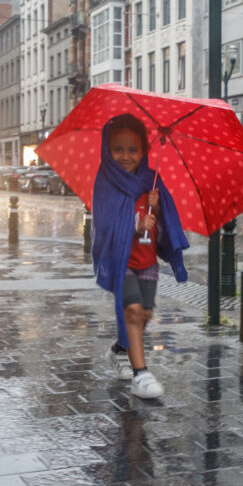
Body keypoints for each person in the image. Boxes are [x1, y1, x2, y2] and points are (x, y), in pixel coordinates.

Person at [91, 114, 189, 399]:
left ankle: (119, 350)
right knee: (133, 311)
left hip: (147, 261)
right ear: (108, 151)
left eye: (132, 150)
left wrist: (156, 208)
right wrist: (135, 226)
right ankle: (141, 375)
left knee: (144, 313)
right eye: (118, 149)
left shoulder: (151, 182)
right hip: (119, 261)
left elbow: (166, 223)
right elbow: (105, 222)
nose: (125, 156)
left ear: (144, 152)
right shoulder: (107, 181)